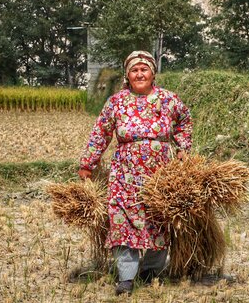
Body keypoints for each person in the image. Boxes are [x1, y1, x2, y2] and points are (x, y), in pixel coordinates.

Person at [79, 50, 192, 295]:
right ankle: (126, 278)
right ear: (127, 75)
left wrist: (183, 148)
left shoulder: (168, 100)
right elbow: (101, 133)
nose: (139, 74)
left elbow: (184, 120)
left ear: (153, 73)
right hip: (124, 175)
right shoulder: (116, 102)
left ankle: (150, 272)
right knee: (122, 222)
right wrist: (88, 163)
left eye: (144, 69)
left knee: (158, 222)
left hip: (160, 176)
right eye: (134, 70)